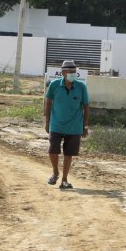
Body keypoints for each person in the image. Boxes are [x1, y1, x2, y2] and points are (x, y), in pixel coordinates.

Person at [43, 59, 90, 189]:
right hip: (56, 124)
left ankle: (64, 179)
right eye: (70, 71)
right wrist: (47, 122)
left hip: (74, 126)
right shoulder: (54, 85)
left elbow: (86, 106)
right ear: (63, 72)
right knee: (53, 149)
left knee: (69, 153)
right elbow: (48, 103)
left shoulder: (81, 87)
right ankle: (55, 172)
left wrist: (85, 126)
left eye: (74, 71)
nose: (73, 74)